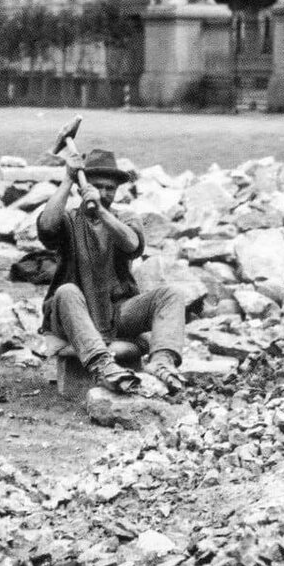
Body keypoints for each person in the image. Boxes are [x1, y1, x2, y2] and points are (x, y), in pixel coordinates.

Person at [38, 149, 186, 396]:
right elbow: (46, 227)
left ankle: (162, 361)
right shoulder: (69, 219)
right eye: (97, 186)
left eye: (110, 188)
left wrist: (101, 212)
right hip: (72, 313)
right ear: (82, 188)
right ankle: (102, 365)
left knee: (171, 294)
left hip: (116, 313)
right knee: (66, 291)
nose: (104, 193)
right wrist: (68, 179)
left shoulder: (125, 218)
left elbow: (132, 246)